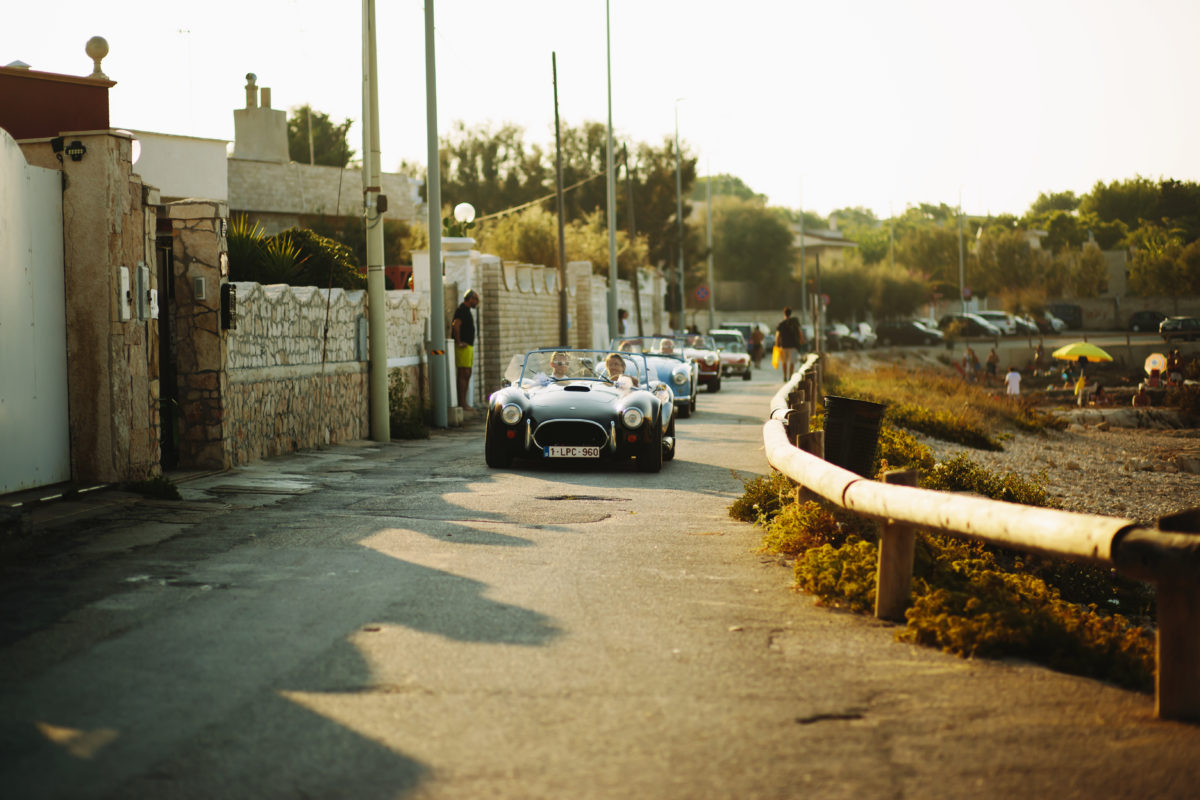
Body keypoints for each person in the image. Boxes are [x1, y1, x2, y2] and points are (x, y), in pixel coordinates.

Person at [450, 289, 480, 412]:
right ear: (470, 299)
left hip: (468, 347)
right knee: (463, 373)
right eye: (476, 299)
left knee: (467, 373)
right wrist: (458, 341)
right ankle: (462, 403)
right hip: (463, 347)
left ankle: (464, 402)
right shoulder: (461, 310)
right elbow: (455, 325)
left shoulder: (467, 310)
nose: (477, 302)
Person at [775, 307, 804, 382]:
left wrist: (777, 344)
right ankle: (790, 376)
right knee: (792, 362)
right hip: (793, 346)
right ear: (791, 313)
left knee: (784, 362)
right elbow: (799, 332)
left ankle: (785, 376)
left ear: (784, 313)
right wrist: (801, 340)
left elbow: (778, 335)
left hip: (784, 346)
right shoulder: (794, 322)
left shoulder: (781, 323)